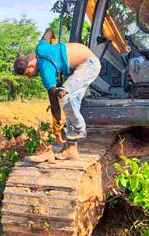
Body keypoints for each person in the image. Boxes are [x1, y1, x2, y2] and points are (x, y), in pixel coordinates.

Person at [13, 29, 100, 159]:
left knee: (63, 95)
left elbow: (54, 103)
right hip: (82, 66)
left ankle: (79, 129)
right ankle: (71, 148)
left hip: (89, 64)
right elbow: (49, 31)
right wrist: (54, 44)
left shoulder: (45, 69)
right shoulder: (40, 48)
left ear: (31, 65)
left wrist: (56, 130)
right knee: (71, 105)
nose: (29, 77)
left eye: (27, 74)